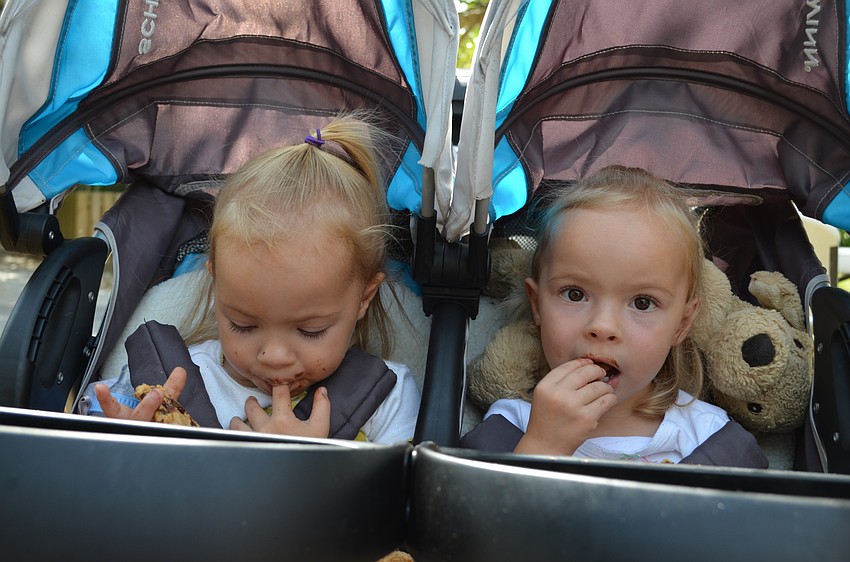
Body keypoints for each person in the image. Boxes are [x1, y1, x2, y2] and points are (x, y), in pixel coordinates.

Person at [81, 113, 421, 444]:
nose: (273, 356)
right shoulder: (172, 377)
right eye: (243, 325)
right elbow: (91, 423)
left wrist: (311, 466)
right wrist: (117, 441)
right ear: (216, 284)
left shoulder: (387, 399)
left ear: (364, 297)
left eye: (310, 331)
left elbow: (407, 498)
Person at [460, 166, 767, 467]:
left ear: (681, 325)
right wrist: (542, 446)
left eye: (643, 303)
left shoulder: (707, 438)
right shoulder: (514, 427)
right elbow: (473, 515)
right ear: (538, 305)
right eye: (575, 294)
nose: (603, 327)